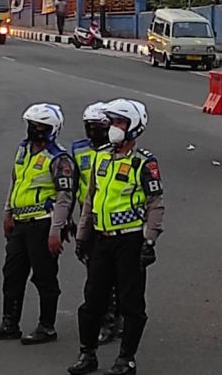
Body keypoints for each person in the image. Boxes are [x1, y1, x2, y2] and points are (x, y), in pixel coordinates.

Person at [68, 99, 165, 375]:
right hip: (101, 239)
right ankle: (87, 354)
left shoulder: (143, 163)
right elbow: (90, 200)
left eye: (119, 123)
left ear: (133, 127)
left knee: (131, 303)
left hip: (130, 241)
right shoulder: (100, 157)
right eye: (111, 122)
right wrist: (83, 236)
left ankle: (126, 359)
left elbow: (155, 203)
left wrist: (149, 240)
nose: (113, 128)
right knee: (92, 301)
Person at [0, 103, 76, 345]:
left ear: (52, 129)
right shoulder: (23, 150)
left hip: (43, 224)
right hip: (20, 223)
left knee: (44, 277)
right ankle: (10, 323)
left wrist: (56, 231)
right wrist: (7, 214)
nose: (34, 130)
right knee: (12, 274)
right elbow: (15, 182)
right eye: (31, 125)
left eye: (40, 126)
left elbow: (65, 197)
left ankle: (47, 326)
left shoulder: (59, 159)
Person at [71, 103, 124, 345]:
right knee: (96, 277)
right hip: (89, 219)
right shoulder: (78, 150)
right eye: (89, 127)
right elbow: (72, 187)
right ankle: (105, 320)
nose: (94, 132)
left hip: (116, 221)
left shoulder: (118, 150)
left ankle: (115, 319)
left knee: (120, 276)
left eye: (99, 127)